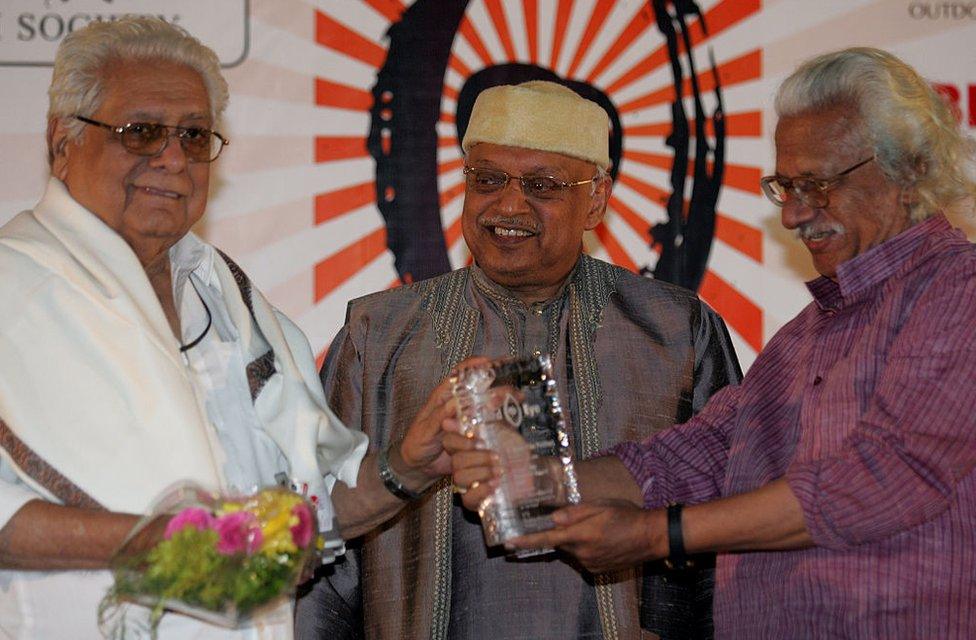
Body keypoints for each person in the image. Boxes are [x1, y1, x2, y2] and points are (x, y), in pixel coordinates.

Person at [450, 48, 976, 638]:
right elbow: (698, 454)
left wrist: (656, 535)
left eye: (816, 185)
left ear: (905, 171)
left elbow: (883, 476)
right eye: (785, 186)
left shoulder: (960, 290)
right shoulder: (808, 333)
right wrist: (527, 477)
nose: (795, 214)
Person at [0, 18, 453, 639]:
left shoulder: (228, 296)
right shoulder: (12, 286)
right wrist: (166, 544)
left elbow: (308, 513)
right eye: (141, 133)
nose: (172, 158)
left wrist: (409, 466)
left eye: (193, 135)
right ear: (62, 141)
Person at [298, 80, 741, 640]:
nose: (508, 205)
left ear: (597, 199)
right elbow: (317, 538)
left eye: (542, 185)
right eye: (486, 180)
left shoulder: (675, 330)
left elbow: (726, 527)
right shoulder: (379, 333)